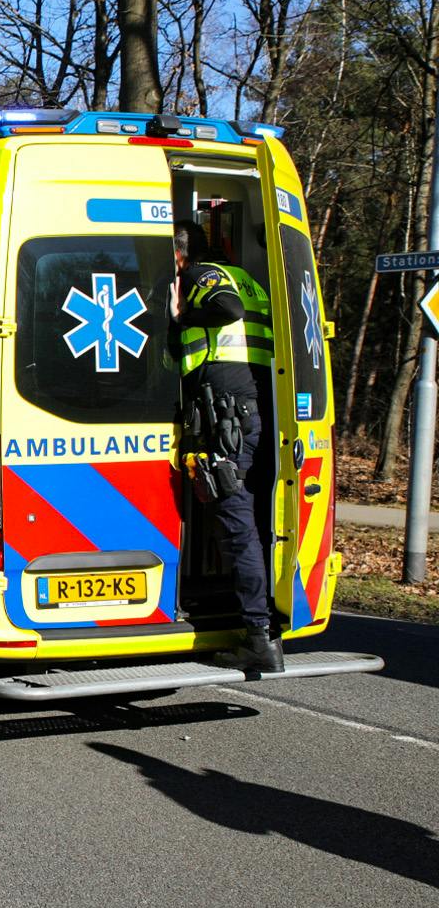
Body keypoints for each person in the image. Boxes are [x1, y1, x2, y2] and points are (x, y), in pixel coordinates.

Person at [172, 220, 282, 673]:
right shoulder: (251, 279)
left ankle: (259, 635)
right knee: (248, 518)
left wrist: (181, 318)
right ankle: (260, 622)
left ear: (180, 255)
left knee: (236, 523)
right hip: (252, 408)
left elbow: (227, 308)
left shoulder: (205, 276)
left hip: (229, 417)